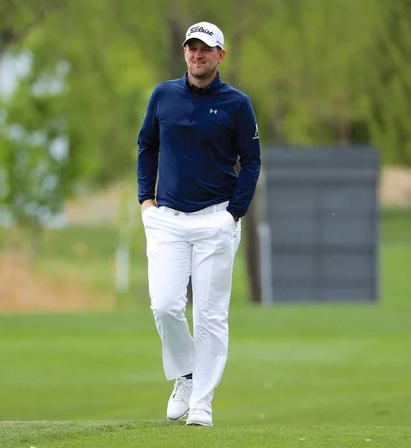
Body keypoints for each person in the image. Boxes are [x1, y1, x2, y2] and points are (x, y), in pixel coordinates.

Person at [136, 20, 262, 427]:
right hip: (167, 219)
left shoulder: (236, 103)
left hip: (215, 219)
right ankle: (186, 375)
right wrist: (146, 200)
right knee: (165, 306)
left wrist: (234, 213)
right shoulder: (163, 94)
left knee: (209, 315)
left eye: (205, 48)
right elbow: (147, 146)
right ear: (185, 52)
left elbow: (252, 161)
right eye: (192, 47)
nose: (197, 54)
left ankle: (202, 402)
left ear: (220, 55)